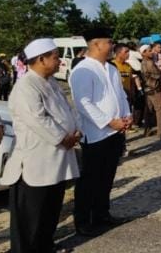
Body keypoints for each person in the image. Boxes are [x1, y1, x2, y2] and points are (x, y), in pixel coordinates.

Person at [3, 38, 79, 253]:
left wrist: (75, 130)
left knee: (50, 212)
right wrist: (64, 138)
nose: (60, 61)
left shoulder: (51, 82)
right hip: (36, 162)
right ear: (41, 59)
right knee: (30, 219)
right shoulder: (26, 86)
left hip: (56, 159)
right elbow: (38, 120)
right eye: (55, 57)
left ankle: (45, 247)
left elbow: (67, 110)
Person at [70, 28, 132, 237]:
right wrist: (108, 122)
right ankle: (83, 220)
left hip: (114, 133)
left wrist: (126, 115)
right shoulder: (83, 70)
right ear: (96, 44)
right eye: (109, 42)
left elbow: (121, 95)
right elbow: (83, 102)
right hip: (95, 134)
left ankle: (102, 214)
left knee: (107, 176)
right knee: (90, 179)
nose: (112, 45)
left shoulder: (112, 68)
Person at [141, 44, 161, 138]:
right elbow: (158, 74)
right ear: (144, 53)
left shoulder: (143, 62)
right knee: (159, 110)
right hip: (154, 89)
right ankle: (160, 132)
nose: (152, 52)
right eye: (149, 51)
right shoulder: (149, 63)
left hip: (147, 89)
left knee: (148, 111)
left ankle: (147, 131)